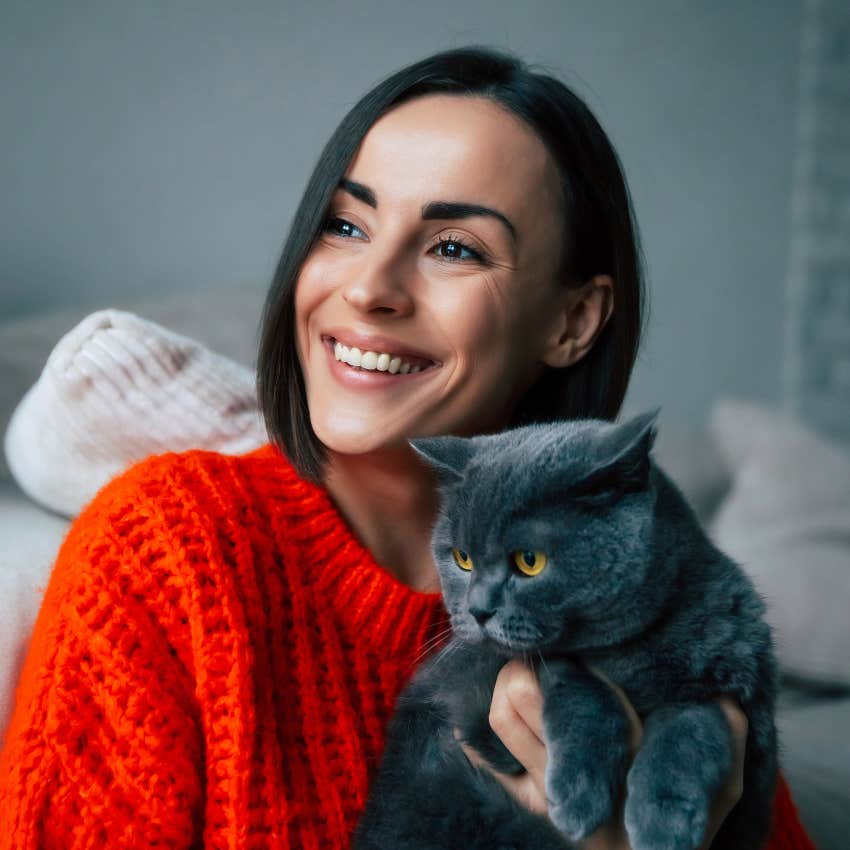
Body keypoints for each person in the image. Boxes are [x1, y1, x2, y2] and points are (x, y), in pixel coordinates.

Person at [0, 45, 815, 849]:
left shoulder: (651, 587)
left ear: (572, 322)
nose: (368, 286)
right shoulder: (164, 553)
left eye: (454, 247)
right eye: (345, 225)